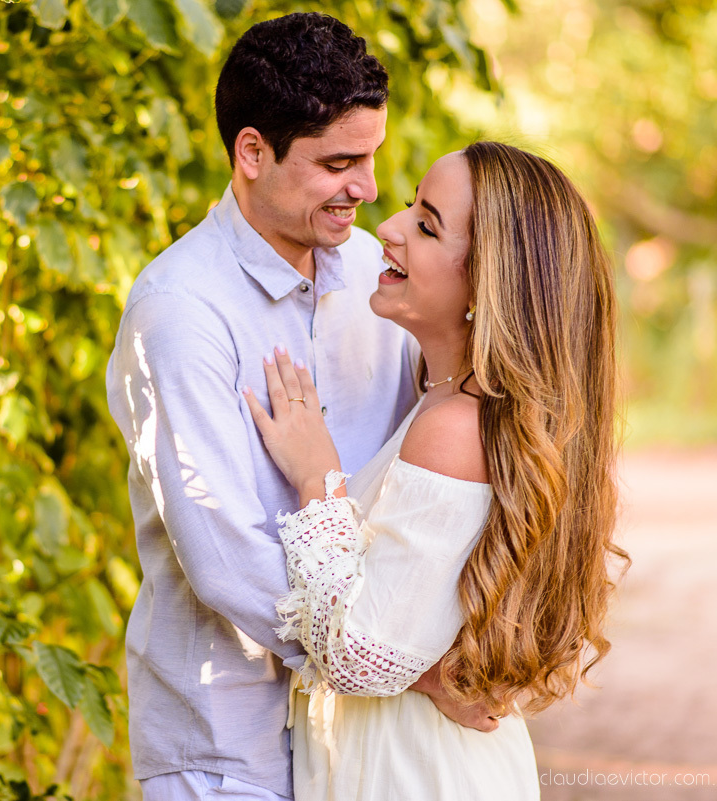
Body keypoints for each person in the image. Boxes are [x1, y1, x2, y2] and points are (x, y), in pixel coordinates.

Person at [106, 14, 496, 801]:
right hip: (229, 744)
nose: (369, 189)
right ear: (252, 152)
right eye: (340, 163)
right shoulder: (182, 311)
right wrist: (402, 663)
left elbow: (427, 484)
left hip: (362, 743)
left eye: (373, 157)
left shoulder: (380, 277)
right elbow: (224, 559)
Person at [242, 142, 625, 799]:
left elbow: (358, 654)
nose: (387, 226)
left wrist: (318, 478)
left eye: (426, 223)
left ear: (488, 280)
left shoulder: (454, 430)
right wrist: (432, 674)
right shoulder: (450, 407)